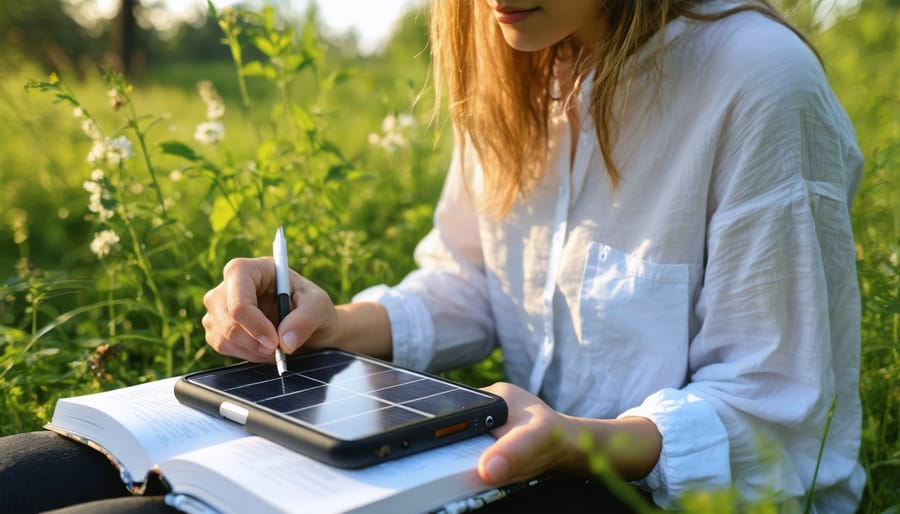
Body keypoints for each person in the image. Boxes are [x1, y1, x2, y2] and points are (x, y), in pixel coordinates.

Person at [0, 0, 863, 513]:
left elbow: (782, 421)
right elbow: (477, 279)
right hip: (500, 460)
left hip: (618, 493)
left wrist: (583, 441)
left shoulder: (753, 82)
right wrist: (337, 321)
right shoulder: (513, 53)